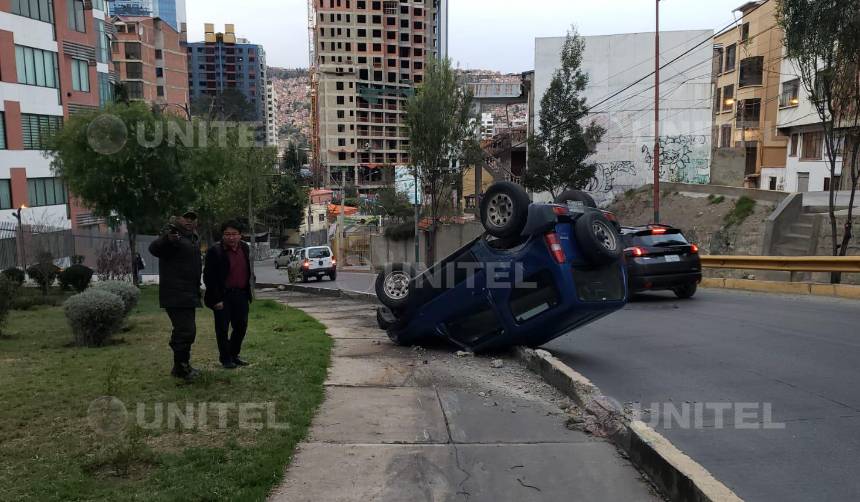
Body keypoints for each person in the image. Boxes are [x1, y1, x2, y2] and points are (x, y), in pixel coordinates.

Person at [149, 210, 203, 380]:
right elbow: (154, 248)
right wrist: (167, 239)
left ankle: (181, 366)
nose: (189, 221)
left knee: (186, 331)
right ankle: (181, 368)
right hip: (175, 294)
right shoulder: (172, 236)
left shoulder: (191, 237)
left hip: (189, 294)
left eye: (192, 218)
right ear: (177, 219)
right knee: (186, 331)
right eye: (185, 217)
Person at [203, 220, 253, 369]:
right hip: (223, 296)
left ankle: (234, 354)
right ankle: (225, 359)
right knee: (222, 329)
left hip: (241, 294)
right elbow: (209, 277)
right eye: (227, 234)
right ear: (223, 235)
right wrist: (215, 299)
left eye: (234, 234)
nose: (231, 238)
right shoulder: (215, 251)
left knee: (241, 326)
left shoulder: (244, 248)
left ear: (240, 235)